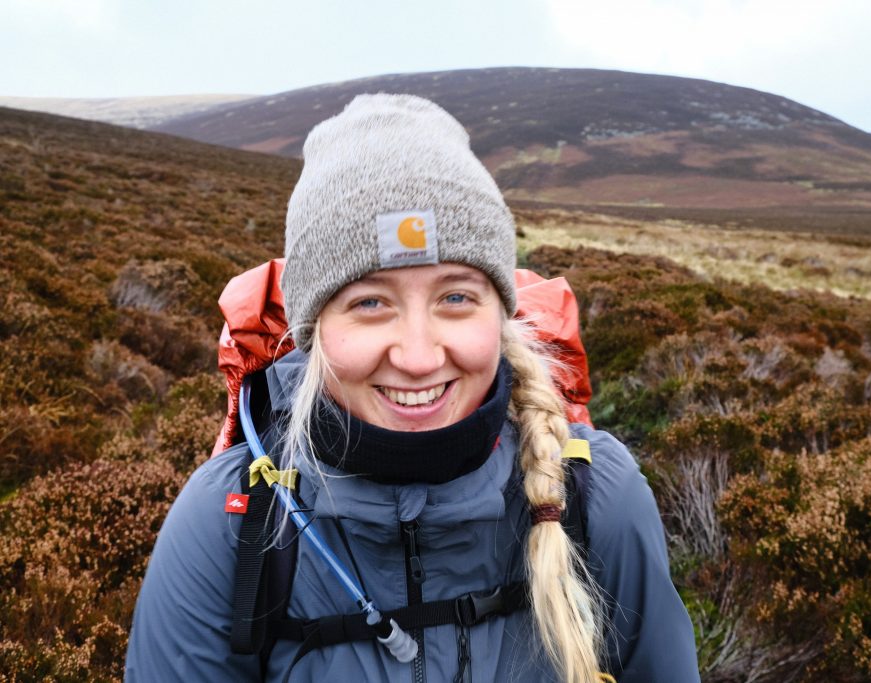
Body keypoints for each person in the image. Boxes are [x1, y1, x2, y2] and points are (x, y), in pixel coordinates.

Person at [125, 94, 700, 682]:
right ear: (312, 330)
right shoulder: (229, 518)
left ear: (499, 316)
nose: (420, 357)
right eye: (370, 303)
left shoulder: (598, 496)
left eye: (456, 298)